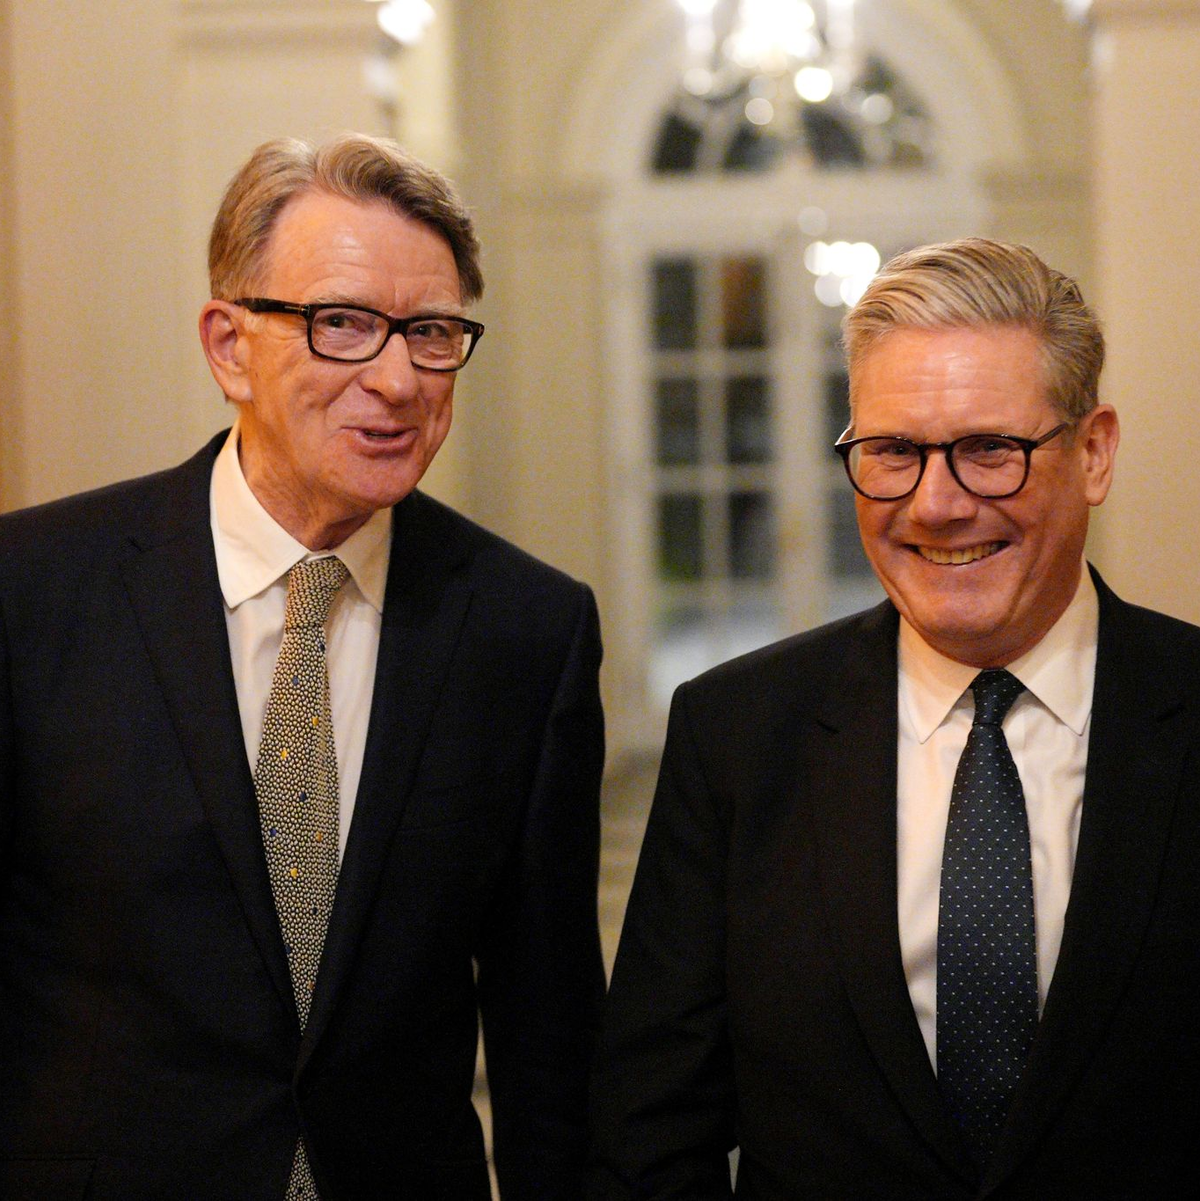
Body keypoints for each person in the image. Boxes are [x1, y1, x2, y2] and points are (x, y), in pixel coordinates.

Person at [0, 134, 605, 1200]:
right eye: (343, 325)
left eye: (430, 333)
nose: (399, 378)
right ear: (229, 345)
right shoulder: (34, 591)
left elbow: (548, 1034)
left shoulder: (526, 631)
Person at [587, 238, 1200, 1199]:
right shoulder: (738, 736)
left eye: (990, 450)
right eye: (893, 452)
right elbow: (653, 1125)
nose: (936, 503)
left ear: (1093, 452)